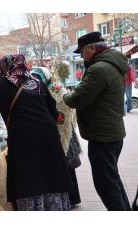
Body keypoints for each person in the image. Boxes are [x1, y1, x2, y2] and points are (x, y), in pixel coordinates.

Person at [0, 54, 74, 211]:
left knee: (29, 180)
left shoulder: (1, 86)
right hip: (49, 137)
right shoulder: (37, 83)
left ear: (4, 67)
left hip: (24, 139)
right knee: (51, 178)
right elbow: (54, 112)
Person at [63, 32, 131, 211]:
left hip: (103, 137)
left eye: (82, 51)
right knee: (112, 181)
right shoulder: (112, 64)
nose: (81, 56)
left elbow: (76, 99)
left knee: (106, 186)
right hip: (111, 133)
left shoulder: (99, 69)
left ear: (92, 48)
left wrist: (64, 94)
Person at [31, 67, 82, 207]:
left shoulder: (57, 90)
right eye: (33, 77)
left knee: (68, 166)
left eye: (38, 77)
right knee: (60, 167)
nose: (36, 80)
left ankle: (73, 198)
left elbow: (64, 110)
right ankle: (66, 198)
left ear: (45, 78)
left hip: (64, 132)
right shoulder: (36, 91)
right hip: (50, 133)